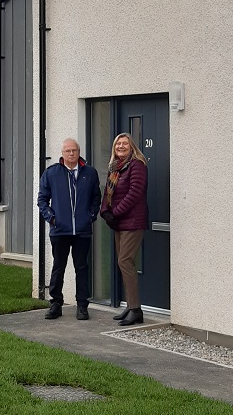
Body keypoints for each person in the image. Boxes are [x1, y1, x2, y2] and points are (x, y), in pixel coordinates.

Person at [37, 138, 101, 320]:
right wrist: (51, 218)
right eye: (68, 151)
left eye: (74, 150)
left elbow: (96, 197)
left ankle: (82, 305)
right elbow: (42, 200)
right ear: (62, 153)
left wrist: (91, 216)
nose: (71, 154)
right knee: (58, 266)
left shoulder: (90, 173)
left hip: (82, 230)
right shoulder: (52, 173)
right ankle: (55, 304)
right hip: (60, 230)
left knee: (82, 267)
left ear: (79, 152)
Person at [99, 132, 149, 326]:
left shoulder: (137, 165)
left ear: (131, 146)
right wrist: (105, 212)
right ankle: (130, 306)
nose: (120, 146)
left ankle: (136, 309)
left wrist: (115, 213)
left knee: (125, 261)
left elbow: (134, 193)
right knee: (124, 264)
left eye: (124, 144)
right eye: (118, 144)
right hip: (119, 222)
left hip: (133, 222)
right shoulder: (115, 167)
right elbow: (107, 192)